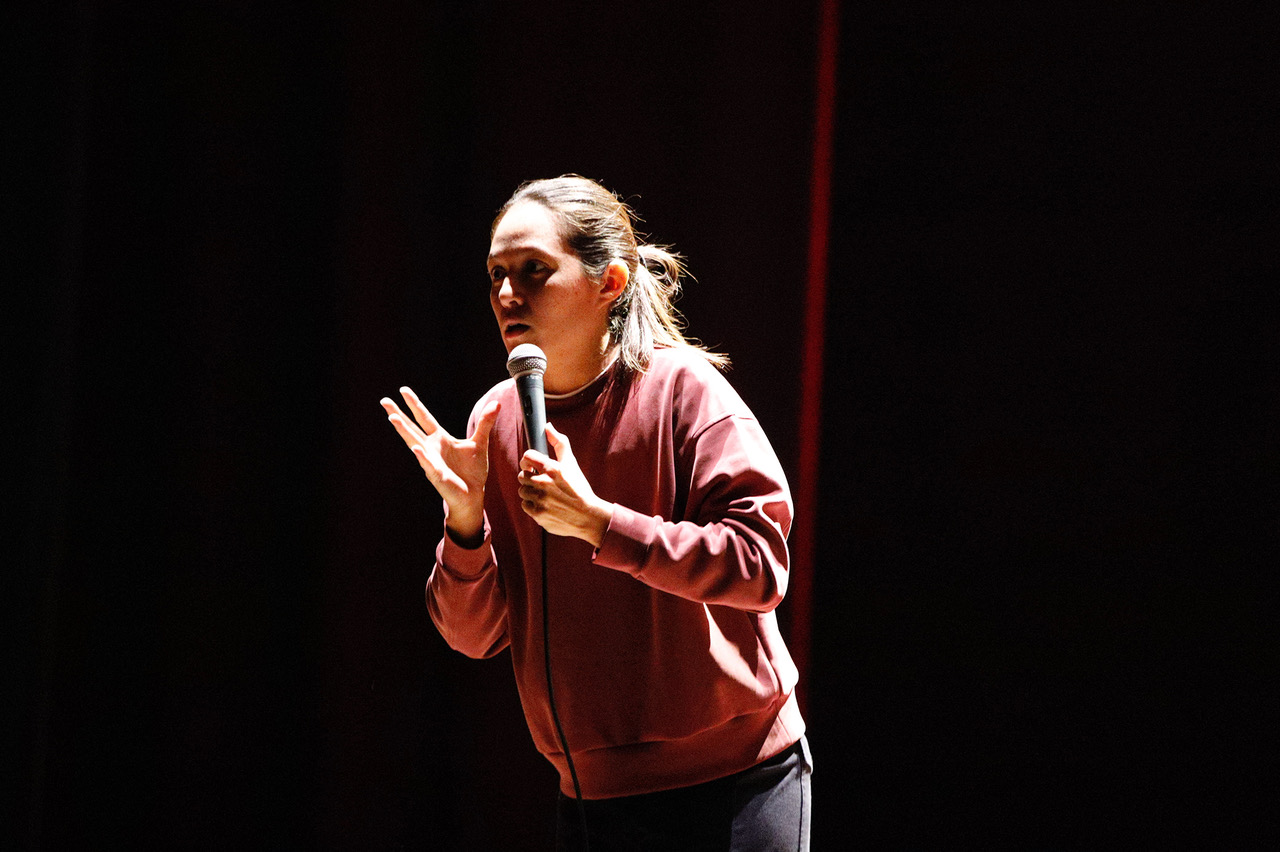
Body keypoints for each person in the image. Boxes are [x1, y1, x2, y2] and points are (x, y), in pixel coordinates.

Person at [381, 175, 811, 850]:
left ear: (608, 282)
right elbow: (472, 637)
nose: (505, 294)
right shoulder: (496, 422)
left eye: (533, 270)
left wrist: (598, 523)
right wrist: (464, 522)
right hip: (594, 796)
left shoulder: (682, 389)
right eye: (495, 274)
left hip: (737, 780)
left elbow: (759, 568)